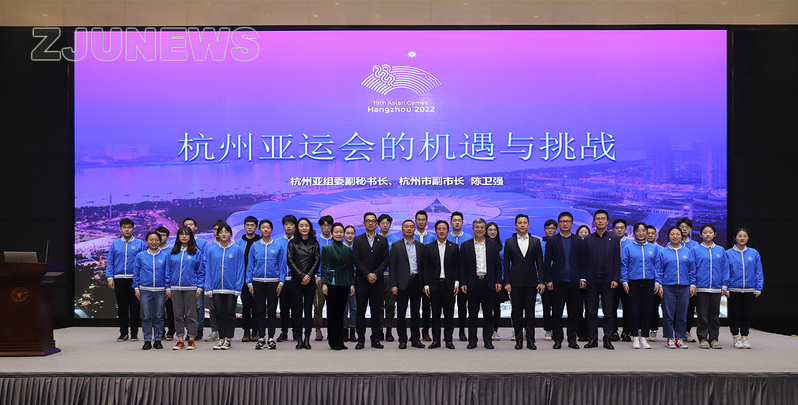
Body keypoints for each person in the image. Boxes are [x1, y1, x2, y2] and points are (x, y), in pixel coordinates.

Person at [542, 212, 586, 350]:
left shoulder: (578, 240)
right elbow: (547, 262)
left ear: (572, 224)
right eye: (562, 221)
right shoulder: (552, 240)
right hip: (558, 282)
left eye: (567, 221)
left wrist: (582, 278)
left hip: (574, 281)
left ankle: (572, 340)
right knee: (557, 313)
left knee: (573, 313)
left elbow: (582, 261)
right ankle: (558, 339)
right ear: (558, 224)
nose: (565, 224)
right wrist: (548, 280)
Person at [504, 214, 546, 350]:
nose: (522, 225)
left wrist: (541, 281)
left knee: (530, 313)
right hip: (515, 282)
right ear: (515, 225)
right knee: (516, 312)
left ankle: (530, 340)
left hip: (531, 282)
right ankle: (518, 340)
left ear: (528, 225)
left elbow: (539, 262)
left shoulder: (535, 241)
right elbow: (506, 264)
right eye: (520, 222)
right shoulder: (509, 242)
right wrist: (507, 282)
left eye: (524, 222)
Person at [460, 218, 502, 349]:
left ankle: (488, 340)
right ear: (473, 229)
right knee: (472, 314)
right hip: (473, 283)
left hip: (489, 283)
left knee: (488, 314)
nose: (479, 229)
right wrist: (463, 282)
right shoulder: (466, 245)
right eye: (477, 227)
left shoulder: (492, 245)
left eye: (482, 227)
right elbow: (462, 266)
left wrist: (498, 281)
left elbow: (497, 264)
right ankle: (472, 340)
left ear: (485, 229)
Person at [582, 210, 621, 350]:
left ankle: (607, 339)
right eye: (598, 219)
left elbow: (617, 261)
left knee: (608, 312)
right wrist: (583, 278)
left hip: (608, 280)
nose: (600, 221)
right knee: (591, 311)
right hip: (591, 280)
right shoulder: (588, 239)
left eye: (603, 219)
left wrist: (616, 278)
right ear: (594, 221)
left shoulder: (614, 239)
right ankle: (593, 339)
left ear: (607, 221)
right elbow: (583, 261)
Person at [204, 223, 245, 350]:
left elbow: (240, 269)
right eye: (221, 232)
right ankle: (221, 339)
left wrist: (238, 287)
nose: (223, 234)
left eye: (226, 232)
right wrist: (208, 287)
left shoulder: (237, 249)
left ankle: (228, 339)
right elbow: (209, 269)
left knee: (230, 314)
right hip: (216, 288)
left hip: (231, 289)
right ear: (217, 234)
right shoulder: (212, 250)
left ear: (230, 234)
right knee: (219, 314)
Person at [353, 212, 390, 349]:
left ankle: (375, 339)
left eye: (373, 221)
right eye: (368, 221)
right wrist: (367, 274)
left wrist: (376, 274)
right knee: (360, 311)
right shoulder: (358, 240)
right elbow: (356, 259)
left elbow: (386, 259)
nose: (370, 223)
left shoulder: (383, 240)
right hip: (362, 281)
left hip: (377, 281)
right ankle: (361, 339)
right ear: (364, 223)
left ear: (376, 224)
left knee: (376, 311)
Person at [247, 219, 286, 350]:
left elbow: (282, 265)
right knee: (260, 311)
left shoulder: (277, 246)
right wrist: (249, 283)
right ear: (260, 230)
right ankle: (261, 338)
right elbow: (250, 265)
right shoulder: (255, 246)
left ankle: (271, 338)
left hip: (273, 282)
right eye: (263, 227)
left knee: (272, 311)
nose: (266, 229)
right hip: (258, 281)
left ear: (271, 230)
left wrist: (281, 282)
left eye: (268, 227)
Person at [621, 222, 661, 349]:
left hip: (649, 282)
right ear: (634, 233)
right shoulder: (628, 247)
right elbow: (624, 266)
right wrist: (625, 281)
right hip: (633, 282)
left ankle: (644, 337)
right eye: (638, 230)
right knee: (634, 310)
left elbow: (658, 266)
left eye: (643, 231)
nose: (641, 233)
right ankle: (634, 337)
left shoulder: (653, 248)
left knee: (647, 311)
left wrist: (658, 282)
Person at [106, 218, 146, 342]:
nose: (127, 230)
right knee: (122, 307)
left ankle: (134, 333)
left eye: (129, 227)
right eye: (124, 227)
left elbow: (144, 262)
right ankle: (123, 333)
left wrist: (142, 279)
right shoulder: (115, 244)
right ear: (120, 229)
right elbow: (110, 261)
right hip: (119, 279)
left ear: (133, 229)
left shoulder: (140, 244)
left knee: (135, 307)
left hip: (135, 279)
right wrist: (110, 277)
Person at [422, 220, 460, 349]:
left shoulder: (454, 247)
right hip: (434, 286)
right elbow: (425, 268)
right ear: (435, 231)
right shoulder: (429, 247)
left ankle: (448, 340)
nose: (442, 231)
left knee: (449, 315)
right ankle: (436, 341)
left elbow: (457, 266)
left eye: (444, 229)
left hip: (449, 285)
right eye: (439, 229)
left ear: (448, 231)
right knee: (435, 315)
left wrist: (456, 283)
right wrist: (426, 285)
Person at [657, 226, 696, 349]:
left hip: (684, 287)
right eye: (672, 234)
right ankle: (670, 338)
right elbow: (659, 270)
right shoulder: (663, 252)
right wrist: (659, 284)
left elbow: (692, 269)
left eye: (677, 234)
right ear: (668, 236)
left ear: (681, 236)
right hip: (668, 287)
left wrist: (692, 284)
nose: (675, 236)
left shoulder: (687, 252)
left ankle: (679, 338)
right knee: (668, 315)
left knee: (682, 315)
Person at [389, 220, 426, 349]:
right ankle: (402, 339)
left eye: (411, 227)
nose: (409, 229)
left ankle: (415, 339)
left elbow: (424, 267)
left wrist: (424, 284)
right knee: (401, 312)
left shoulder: (420, 246)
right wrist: (393, 284)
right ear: (402, 229)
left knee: (416, 312)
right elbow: (392, 267)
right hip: (401, 283)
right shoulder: (396, 246)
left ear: (414, 229)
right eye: (406, 227)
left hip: (416, 282)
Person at [691, 224, 728, 349]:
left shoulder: (720, 250)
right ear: (701, 235)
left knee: (714, 315)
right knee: (702, 315)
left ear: (714, 234)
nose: (708, 234)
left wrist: (724, 284)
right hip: (701, 287)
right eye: (705, 232)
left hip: (716, 288)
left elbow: (725, 268)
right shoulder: (695, 250)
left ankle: (714, 338)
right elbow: (692, 268)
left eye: (710, 232)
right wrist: (693, 284)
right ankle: (702, 338)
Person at [168, 226, 205, 350]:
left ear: (191, 236)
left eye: (186, 234)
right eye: (181, 234)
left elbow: (201, 271)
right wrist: (168, 287)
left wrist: (199, 288)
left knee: (191, 315)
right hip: (175, 288)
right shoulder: (172, 252)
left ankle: (191, 339)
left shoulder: (196, 252)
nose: (184, 236)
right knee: (178, 315)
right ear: (178, 236)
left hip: (191, 288)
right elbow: (168, 271)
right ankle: (180, 340)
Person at [726, 228, 763, 349]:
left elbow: (758, 271)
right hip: (734, 288)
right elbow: (726, 271)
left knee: (746, 315)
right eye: (740, 236)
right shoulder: (728, 253)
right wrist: (726, 287)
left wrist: (758, 287)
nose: (742, 238)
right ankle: (736, 337)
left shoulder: (754, 253)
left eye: (745, 236)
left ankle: (744, 337)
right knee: (734, 314)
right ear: (734, 237)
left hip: (749, 289)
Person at [320, 222, 355, 350]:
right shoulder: (327, 248)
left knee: (341, 313)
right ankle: (333, 341)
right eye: (336, 232)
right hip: (332, 283)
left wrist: (351, 283)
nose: (339, 234)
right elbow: (323, 266)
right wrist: (324, 282)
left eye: (341, 232)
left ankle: (340, 341)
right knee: (332, 313)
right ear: (332, 233)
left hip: (344, 283)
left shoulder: (347, 249)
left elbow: (350, 268)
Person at [287, 217, 320, 350]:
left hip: (310, 281)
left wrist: (308, 276)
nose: (304, 228)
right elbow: (290, 260)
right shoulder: (292, 243)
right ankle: (299, 338)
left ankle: (307, 338)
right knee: (297, 310)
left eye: (306, 225)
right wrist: (301, 275)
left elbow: (317, 260)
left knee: (308, 310)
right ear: (298, 228)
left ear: (310, 227)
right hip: (296, 280)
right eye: (301, 225)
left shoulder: (315, 243)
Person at [134, 231, 171, 350]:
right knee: (146, 316)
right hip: (145, 289)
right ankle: (147, 340)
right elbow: (136, 272)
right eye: (151, 239)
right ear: (146, 241)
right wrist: (136, 288)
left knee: (159, 316)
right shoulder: (140, 256)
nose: (154, 242)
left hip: (160, 290)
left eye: (156, 240)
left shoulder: (165, 255)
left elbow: (167, 273)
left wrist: (168, 288)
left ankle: (158, 340)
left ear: (160, 241)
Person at [447, 211, 472, 342]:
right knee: (449, 306)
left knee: (463, 306)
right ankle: (449, 333)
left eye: (459, 220)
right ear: (451, 222)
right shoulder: (445, 237)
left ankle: (462, 331)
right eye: (454, 220)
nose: (457, 223)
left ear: (463, 222)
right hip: (448, 277)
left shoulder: (468, 238)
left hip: (464, 276)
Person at [236, 215, 261, 343]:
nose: (250, 227)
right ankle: (246, 331)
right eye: (248, 225)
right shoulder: (239, 243)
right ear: (244, 227)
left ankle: (255, 331)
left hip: (257, 279)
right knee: (245, 306)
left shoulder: (260, 242)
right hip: (243, 279)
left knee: (257, 306)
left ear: (256, 227)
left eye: (252, 225)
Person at [183, 217, 208, 341]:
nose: (189, 226)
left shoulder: (202, 243)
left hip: (198, 279)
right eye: (186, 225)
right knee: (187, 307)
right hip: (185, 281)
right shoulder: (180, 244)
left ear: (196, 227)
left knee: (199, 306)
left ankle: (199, 329)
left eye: (191, 224)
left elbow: (205, 261)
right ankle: (189, 330)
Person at [677, 217, 700, 342]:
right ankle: (676, 332)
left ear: (690, 229)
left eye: (686, 227)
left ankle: (687, 332)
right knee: (676, 309)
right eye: (681, 227)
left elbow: (697, 265)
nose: (684, 229)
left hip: (690, 282)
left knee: (690, 308)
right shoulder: (672, 244)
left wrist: (694, 283)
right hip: (675, 281)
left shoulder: (695, 245)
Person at [414, 210, 436, 342]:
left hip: (428, 276)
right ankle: (414, 332)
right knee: (415, 307)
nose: (421, 222)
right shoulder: (410, 235)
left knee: (427, 306)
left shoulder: (432, 237)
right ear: (415, 221)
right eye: (419, 219)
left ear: (426, 222)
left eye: (423, 219)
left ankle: (426, 331)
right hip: (414, 276)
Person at [377, 214, 400, 342]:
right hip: (378, 276)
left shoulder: (396, 240)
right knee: (379, 304)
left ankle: (389, 330)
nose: (385, 225)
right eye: (382, 223)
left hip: (391, 276)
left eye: (387, 223)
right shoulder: (374, 239)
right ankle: (379, 329)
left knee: (390, 305)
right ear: (378, 224)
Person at [312, 215, 335, 342]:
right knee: (318, 305)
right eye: (324, 225)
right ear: (320, 227)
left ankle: (332, 331)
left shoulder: (336, 240)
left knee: (333, 306)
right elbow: (312, 260)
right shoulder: (315, 241)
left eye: (329, 225)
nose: (326, 228)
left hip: (334, 279)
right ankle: (318, 330)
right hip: (319, 278)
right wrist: (315, 276)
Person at [275, 215, 297, 342]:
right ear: (283, 226)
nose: (289, 226)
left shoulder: (299, 241)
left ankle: (296, 331)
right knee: (284, 307)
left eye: (291, 224)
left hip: (296, 279)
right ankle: (284, 331)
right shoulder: (277, 242)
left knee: (296, 307)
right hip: (282, 280)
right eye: (286, 224)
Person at [486, 222, 508, 341]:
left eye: (494, 230)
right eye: (490, 230)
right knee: (487, 307)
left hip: (499, 280)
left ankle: (495, 330)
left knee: (496, 306)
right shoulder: (482, 244)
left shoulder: (502, 246)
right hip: (486, 279)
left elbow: (505, 264)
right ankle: (487, 331)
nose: (492, 232)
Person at [612, 218, 632, 342]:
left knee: (628, 307)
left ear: (625, 229)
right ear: (613, 229)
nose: (619, 230)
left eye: (621, 228)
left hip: (627, 281)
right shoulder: (609, 242)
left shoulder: (630, 244)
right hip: (612, 280)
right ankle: (613, 331)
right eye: (617, 228)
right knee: (611, 307)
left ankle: (626, 332)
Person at [539, 219, 558, 342]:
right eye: (548, 228)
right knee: (546, 307)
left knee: (557, 306)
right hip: (544, 280)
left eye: (552, 228)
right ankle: (548, 329)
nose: (550, 230)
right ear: (544, 230)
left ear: (556, 230)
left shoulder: (558, 242)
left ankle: (556, 329)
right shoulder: (540, 244)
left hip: (557, 279)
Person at [646, 225, 663, 342]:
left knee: (654, 308)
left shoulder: (661, 250)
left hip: (656, 283)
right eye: (648, 233)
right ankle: (642, 330)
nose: (650, 235)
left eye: (652, 233)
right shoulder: (639, 248)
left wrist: (659, 283)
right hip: (643, 281)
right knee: (642, 308)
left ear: (656, 235)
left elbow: (662, 268)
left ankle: (653, 330)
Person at [574, 225, 590, 342]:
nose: (583, 234)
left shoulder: (592, 246)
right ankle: (580, 333)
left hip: (591, 281)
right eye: (581, 232)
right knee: (577, 309)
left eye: (585, 232)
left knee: (590, 309)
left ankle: (589, 333)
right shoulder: (575, 245)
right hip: (576, 281)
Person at [343, 225, 358, 342]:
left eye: (352, 233)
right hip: (343, 280)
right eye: (347, 233)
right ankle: (344, 331)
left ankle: (353, 330)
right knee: (344, 308)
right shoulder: (340, 247)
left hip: (356, 280)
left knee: (354, 307)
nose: (350, 236)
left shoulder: (357, 247)